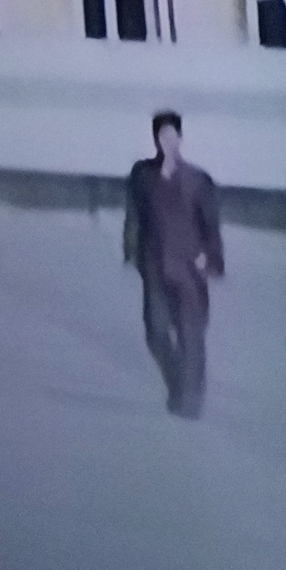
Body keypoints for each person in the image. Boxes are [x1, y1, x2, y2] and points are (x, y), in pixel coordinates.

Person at [122, 110, 222, 419]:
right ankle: (178, 385)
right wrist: (131, 250)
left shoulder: (198, 180)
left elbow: (210, 224)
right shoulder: (142, 175)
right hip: (154, 266)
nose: (167, 142)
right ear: (155, 139)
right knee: (156, 332)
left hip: (190, 269)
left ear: (180, 138)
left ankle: (190, 401)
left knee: (191, 335)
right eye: (161, 136)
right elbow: (135, 215)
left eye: (171, 135)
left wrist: (212, 257)